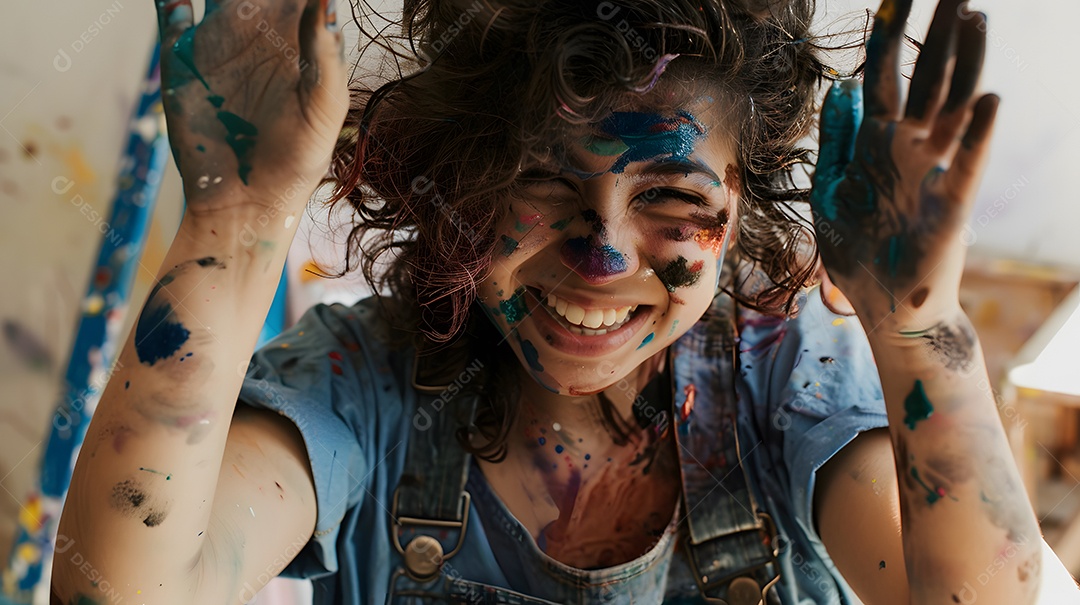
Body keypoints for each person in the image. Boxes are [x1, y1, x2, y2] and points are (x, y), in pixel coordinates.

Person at [50, 0, 1080, 603]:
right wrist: (236, 220)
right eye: (545, 182)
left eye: (672, 198)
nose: (601, 257)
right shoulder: (360, 378)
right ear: (464, 178)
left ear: (745, 207)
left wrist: (918, 321)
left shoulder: (789, 375)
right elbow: (120, 586)